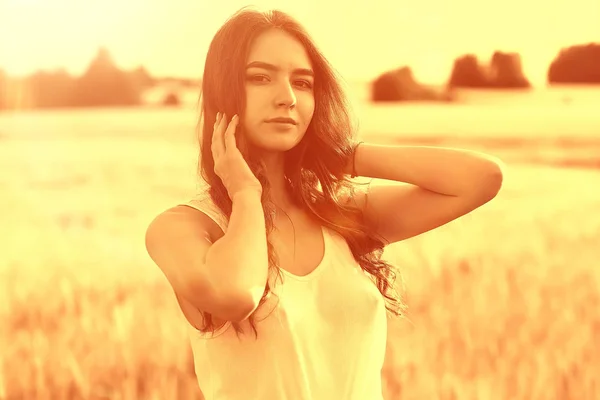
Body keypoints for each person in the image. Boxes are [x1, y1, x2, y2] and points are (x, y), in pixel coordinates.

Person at [144, 6, 505, 400]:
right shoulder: (184, 228)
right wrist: (246, 195)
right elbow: (236, 294)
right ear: (223, 91)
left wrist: (344, 155)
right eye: (260, 78)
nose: (287, 98)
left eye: (302, 83)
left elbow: (481, 179)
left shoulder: (340, 214)